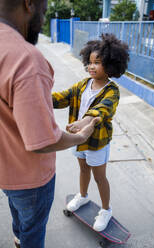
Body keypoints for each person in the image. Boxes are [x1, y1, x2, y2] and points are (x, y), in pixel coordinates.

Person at [0, 1, 100, 248]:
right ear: (29, 4)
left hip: (5, 172)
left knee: (18, 214)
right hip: (31, 178)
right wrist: (81, 136)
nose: (43, 20)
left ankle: (17, 238)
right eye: (44, 12)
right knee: (33, 229)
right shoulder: (25, 59)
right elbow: (43, 141)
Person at [52, 33, 129, 232]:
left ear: (111, 65)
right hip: (79, 140)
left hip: (97, 142)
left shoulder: (112, 91)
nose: (92, 66)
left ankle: (105, 209)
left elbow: (102, 110)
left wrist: (84, 121)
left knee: (99, 177)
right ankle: (83, 196)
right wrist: (41, 95)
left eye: (98, 63)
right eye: (90, 62)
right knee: (83, 170)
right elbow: (62, 97)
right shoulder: (83, 84)